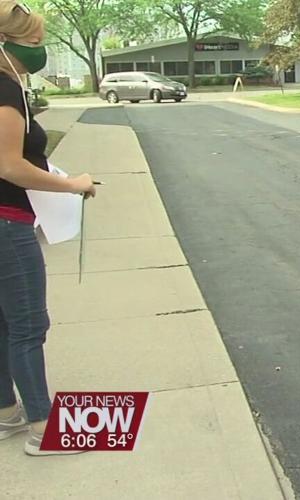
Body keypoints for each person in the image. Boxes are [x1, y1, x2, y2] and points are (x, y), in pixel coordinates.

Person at [0, 1, 96, 456]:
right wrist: (69, 184)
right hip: (7, 224)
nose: (41, 51)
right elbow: (10, 166)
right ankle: (43, 426)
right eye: (34, 42)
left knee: (5, 323)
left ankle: (7, 412)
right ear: (5, 43)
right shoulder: (4, 90)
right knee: (28, 325)